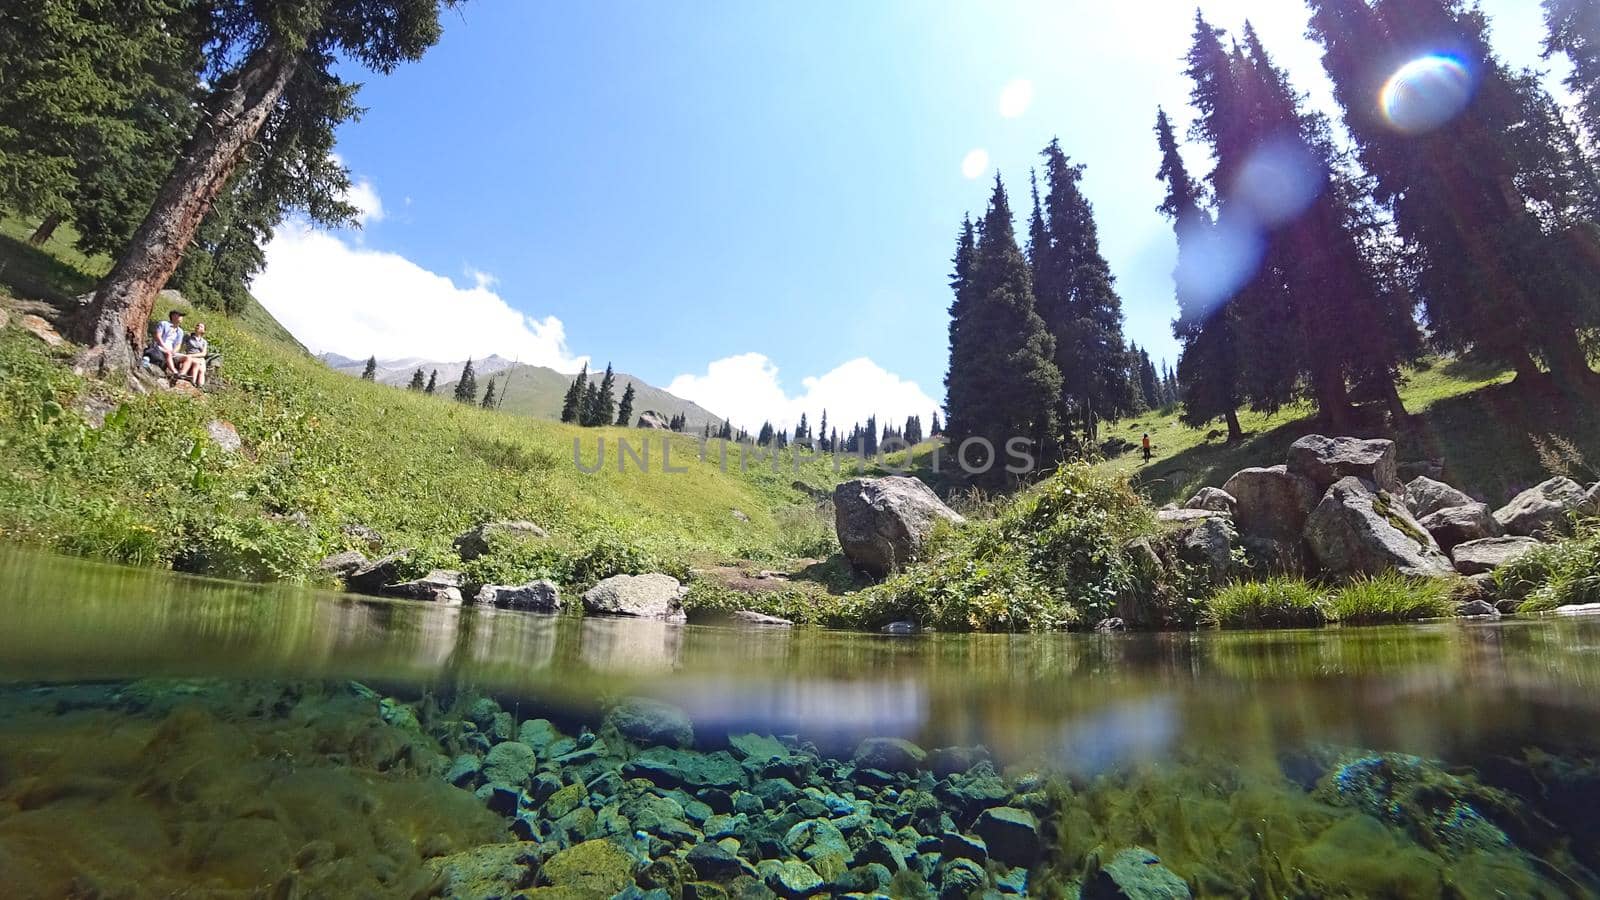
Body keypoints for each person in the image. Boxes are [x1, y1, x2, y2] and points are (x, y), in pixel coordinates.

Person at [144, 309, 184, 375]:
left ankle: (182, 374)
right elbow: (158, 336)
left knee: (188, 358)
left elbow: (178, 344)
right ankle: (175, 372)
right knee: (168, 353)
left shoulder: (180, 331)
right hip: (159, 347)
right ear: (173, 316)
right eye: (179, 316)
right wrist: (165, 347)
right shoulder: (164, 324)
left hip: (172, 351)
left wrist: (174, 351)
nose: (181, 318)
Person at [178, 322, 210, 388]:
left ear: (203, 330)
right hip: (190, 355)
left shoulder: (204, 341)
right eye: (197, 325)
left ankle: (201, 386)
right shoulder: (188, 337)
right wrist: (180, 353)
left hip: (199, 357)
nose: (198, 327)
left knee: (201, 370)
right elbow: (181, 345)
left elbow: (204, 353)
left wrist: (194, 356)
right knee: (197, 364)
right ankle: (193, 382)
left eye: (201, 326)